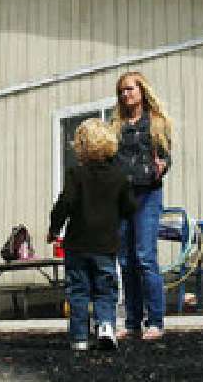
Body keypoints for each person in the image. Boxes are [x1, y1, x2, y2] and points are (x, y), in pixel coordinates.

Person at [47, 119, 136, 350]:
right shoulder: (119, 176)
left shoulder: (76, 174)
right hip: (106, 245)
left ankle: (79, 338)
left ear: (81, 146)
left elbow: (64, 203)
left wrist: (54, 228)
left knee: (78, 291)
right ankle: (106, 326)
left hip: (77, 244)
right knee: (105, 289)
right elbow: (130, 207)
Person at [111, 71, 173, 341]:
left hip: (148, 194)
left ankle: (155, 321)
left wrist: (162, 166)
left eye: (130, 89)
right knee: (125, 260)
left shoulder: (157, 123)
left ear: (141, 90)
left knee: (145, 257)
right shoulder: (115, 126)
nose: (126, 95)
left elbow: (166, 157)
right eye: (122, 91)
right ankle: (133, 321)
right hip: (122, 197)